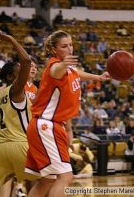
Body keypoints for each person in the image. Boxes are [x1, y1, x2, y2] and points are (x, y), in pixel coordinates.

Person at [25, 30, 110, 197]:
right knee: (65, 176)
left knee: (48, 180)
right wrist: (64, 64)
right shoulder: (54, 65)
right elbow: (56, 71)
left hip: (48, 126)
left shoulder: (69, 68)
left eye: (71, 44)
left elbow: (77, 73)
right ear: (54, 50)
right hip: (46, 126)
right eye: (64, 46)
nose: (69, 49)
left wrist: (98, 77)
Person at [0, 31, 38, 197]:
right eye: (19, 72)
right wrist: (12, 39)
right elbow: (26, 60)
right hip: (20, 144)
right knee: (45, 181)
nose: (24, 74)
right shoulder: (16, 90)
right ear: (11, 76)